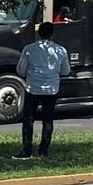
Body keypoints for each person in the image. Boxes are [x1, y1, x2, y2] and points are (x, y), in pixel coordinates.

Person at [14, 22, 70, 159]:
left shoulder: (29, 49)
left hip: (33, 88)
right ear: (53, 34)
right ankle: (43, 151)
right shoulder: (61, 50)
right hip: (51, 89)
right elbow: (66, 71)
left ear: (38, 33)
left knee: (28, 119)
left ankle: (26, 149)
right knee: (48, 120)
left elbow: (20, 70)